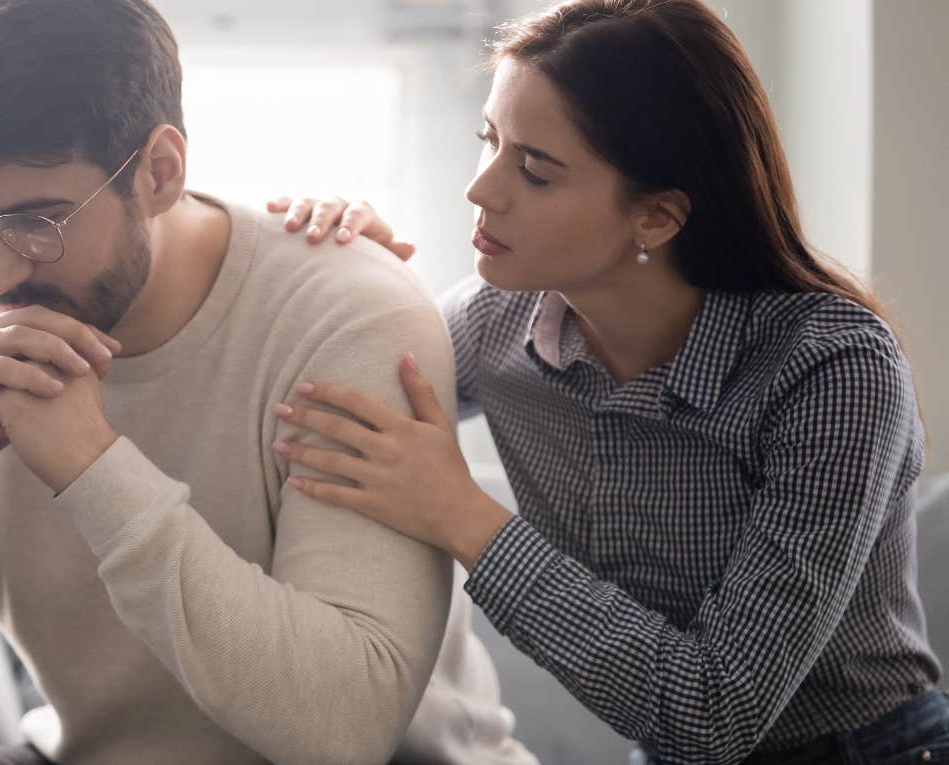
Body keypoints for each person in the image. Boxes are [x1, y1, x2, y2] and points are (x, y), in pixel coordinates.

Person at [0, 1, 536, 764]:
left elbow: (343, 732)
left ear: (159, 171)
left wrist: (96, 470)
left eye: (39, 220)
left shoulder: (348, 313)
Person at [267, 0, 948, 763]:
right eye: (488, 140)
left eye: (533, 169)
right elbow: (325, 390)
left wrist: (459, 511)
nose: (480, 189)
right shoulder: (495, 323)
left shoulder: (832, 370)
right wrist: (342, 270)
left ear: (655, 217)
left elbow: (713, 711)